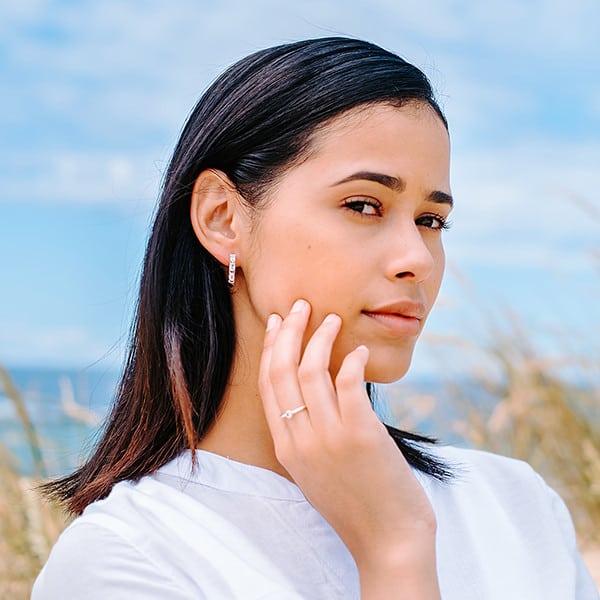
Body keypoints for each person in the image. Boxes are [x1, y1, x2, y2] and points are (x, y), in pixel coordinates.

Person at [31, 37, 597, 599]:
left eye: (431, 220)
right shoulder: (127, 558)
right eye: (364, 205)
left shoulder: (514, 505)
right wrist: (393, 551)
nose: (418, 260)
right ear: (224, 218)